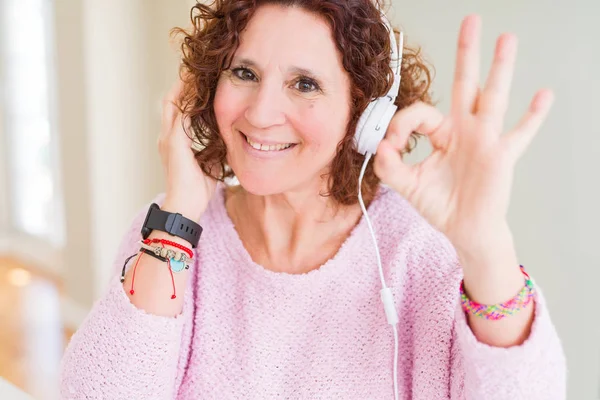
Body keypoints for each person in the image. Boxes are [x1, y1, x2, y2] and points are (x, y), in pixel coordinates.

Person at [59, 0, 567, 399]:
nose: (261, 114)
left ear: (363, 113)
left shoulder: (421, 256)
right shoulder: (172, 232)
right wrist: (177, 220)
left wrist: (485, 248)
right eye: (244, 73)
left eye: (305, 84)